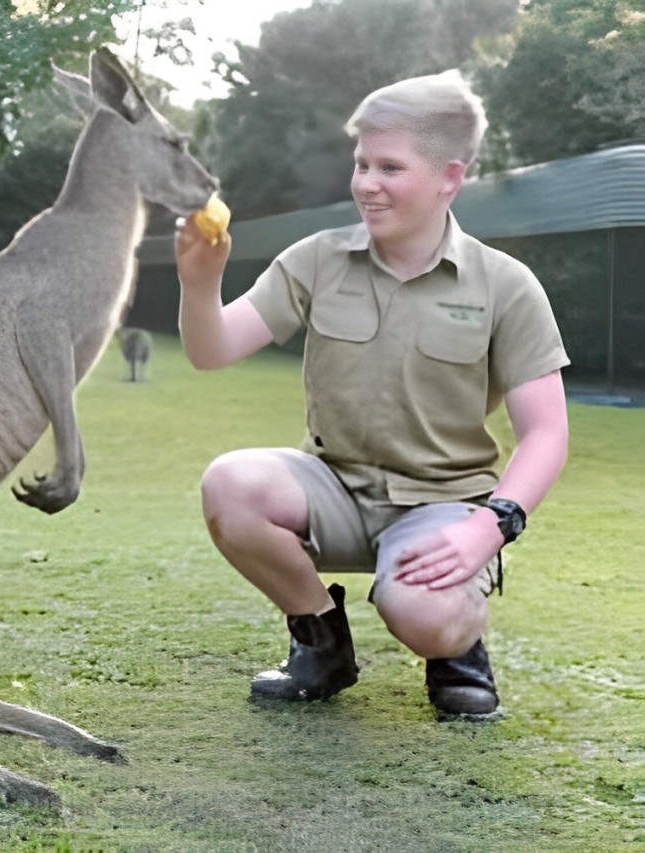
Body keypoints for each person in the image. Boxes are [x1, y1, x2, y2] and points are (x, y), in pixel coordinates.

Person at [175, 70, 569, 717]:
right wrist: (198, 284)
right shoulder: (318, 260)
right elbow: (211, 349)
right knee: (231, 484)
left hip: (442, 505)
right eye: (362, 164)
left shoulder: (507, 285)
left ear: (449, 177)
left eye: (390, 166)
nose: (366, 183)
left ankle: (457, 647)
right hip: (333, 487)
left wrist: (488, 530)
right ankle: (321, 641)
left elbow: (547, 432)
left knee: (418, 610)